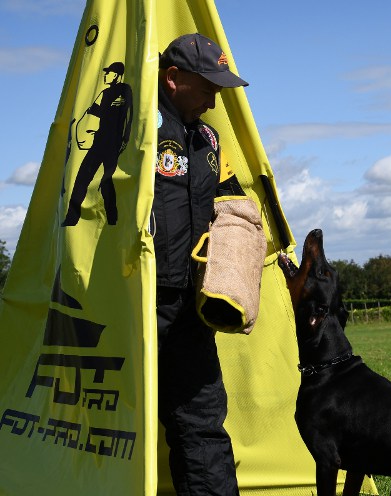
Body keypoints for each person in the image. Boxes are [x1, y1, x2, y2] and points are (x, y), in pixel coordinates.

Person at [154, 33, 249, 495]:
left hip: (191, 310)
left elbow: (236, 209)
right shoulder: (134, 131)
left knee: (202, 423)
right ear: (173, 79)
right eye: (208, 87)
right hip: (133, 308)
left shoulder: (208, 140)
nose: (214, 101)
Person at [62, 61, 133, 226]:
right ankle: (72, 217)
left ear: (116, 75)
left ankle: (113, 219)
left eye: (109, 73)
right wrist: (78, 131)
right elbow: (90, 113)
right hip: (99, 141)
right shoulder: (104, 93)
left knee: (108, 181)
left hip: (114, 143)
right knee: (82, 177)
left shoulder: (125, 90)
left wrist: (126, 137)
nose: (106, 75)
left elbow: (129, 115)